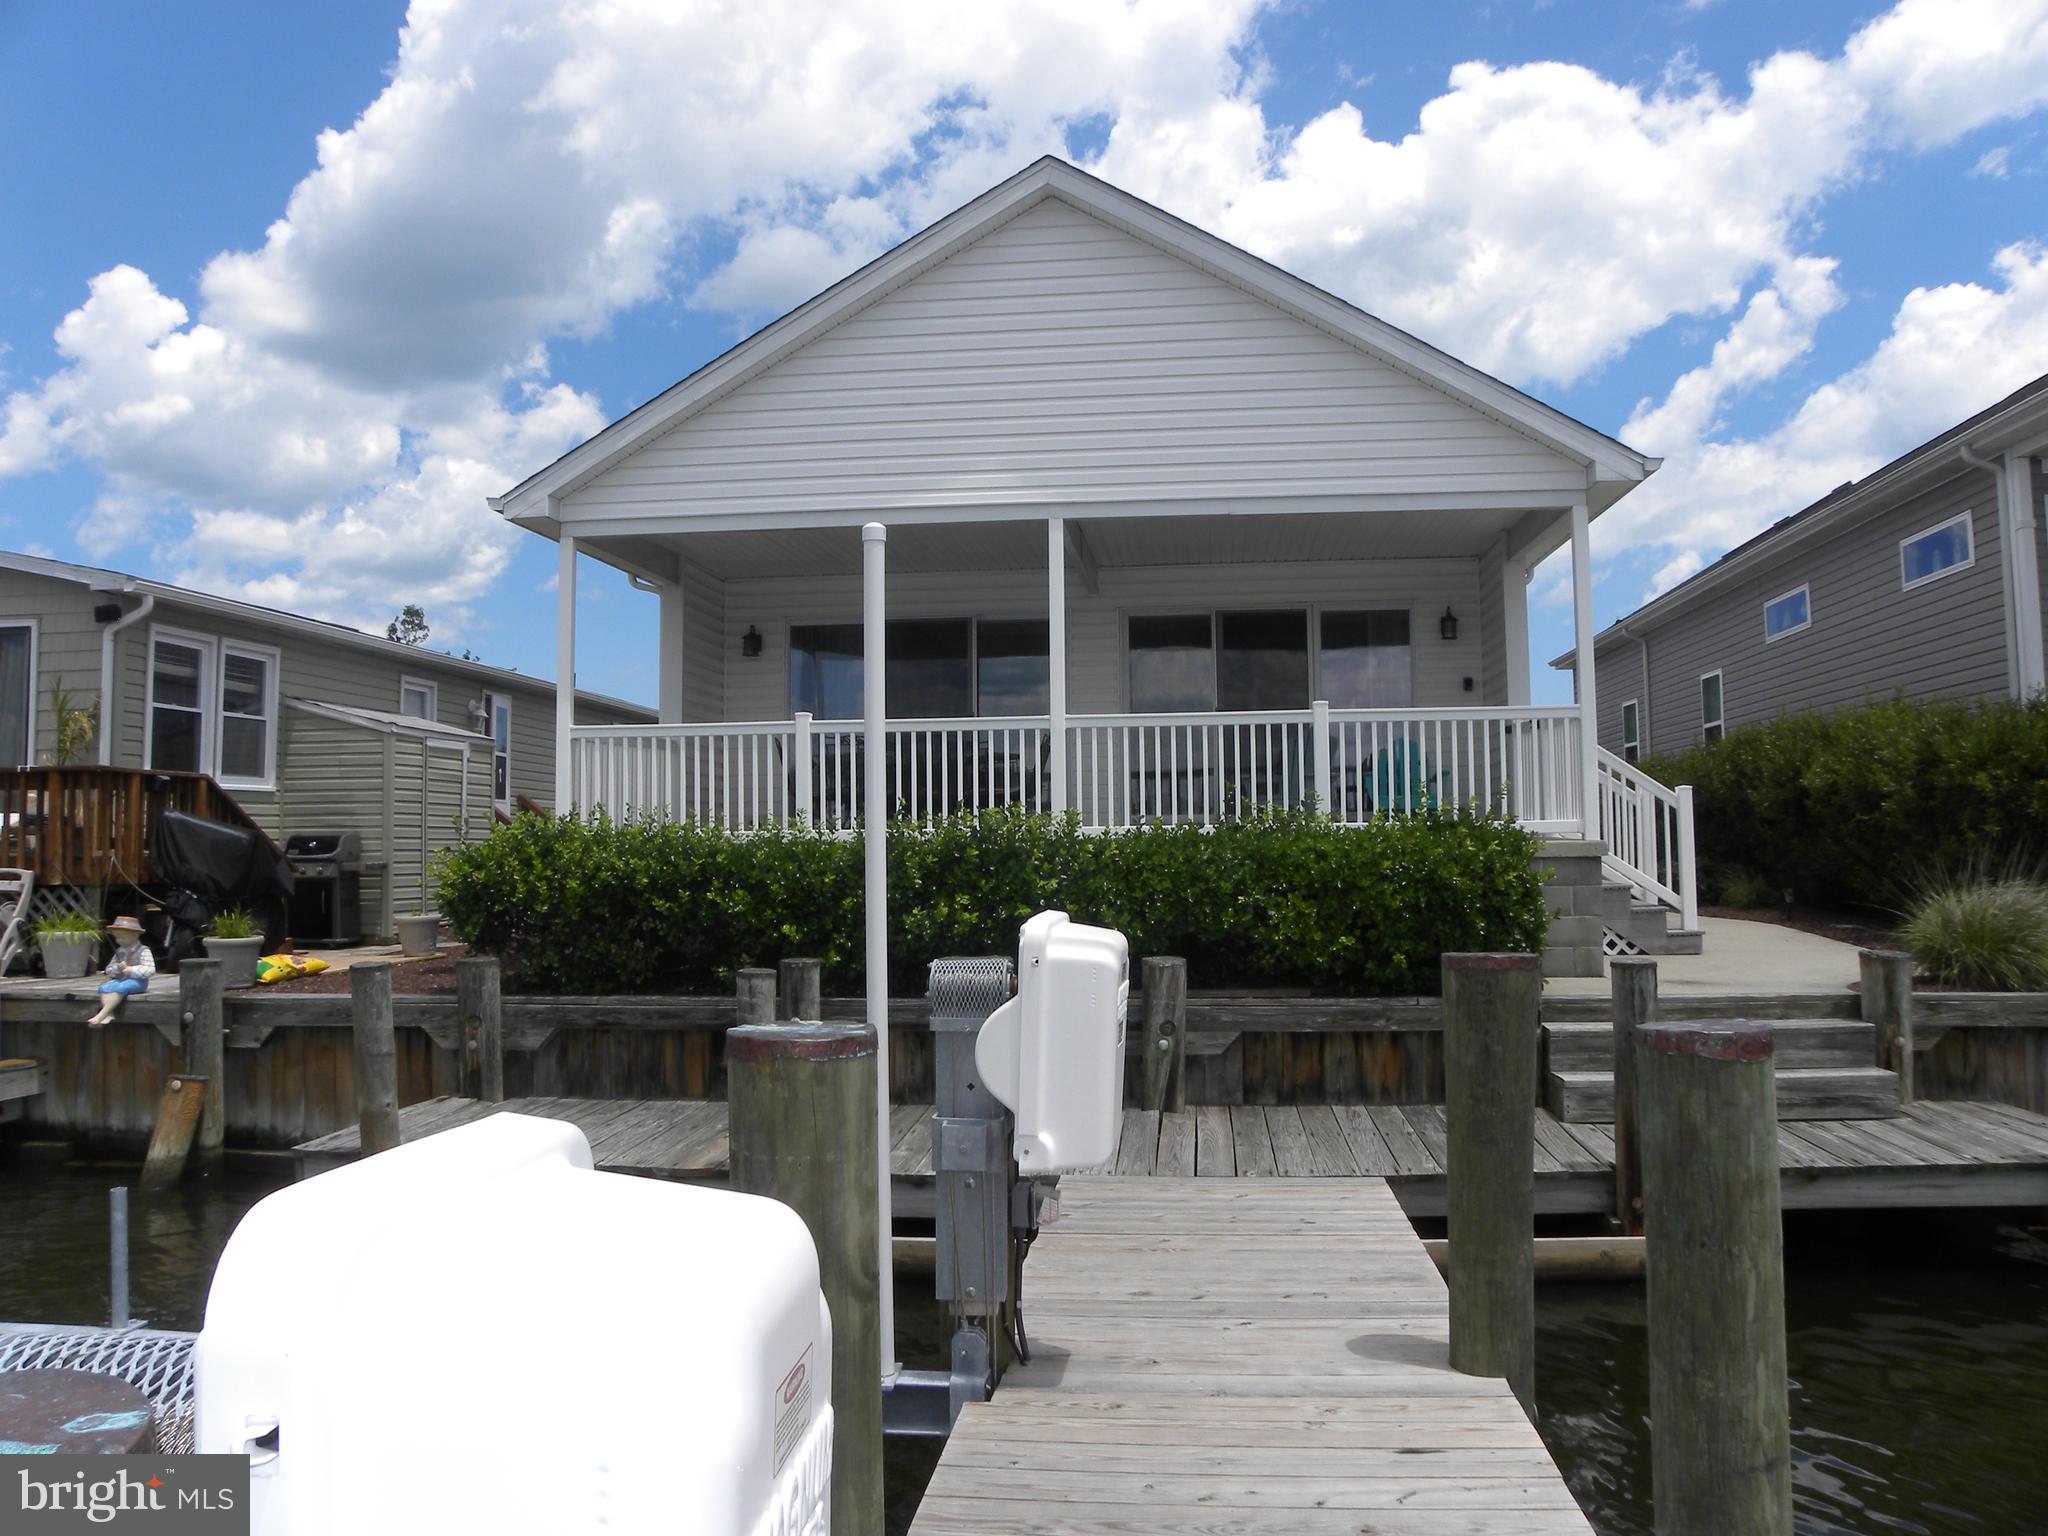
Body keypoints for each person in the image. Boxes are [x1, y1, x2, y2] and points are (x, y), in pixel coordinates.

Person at [87, 915, 155, 1028]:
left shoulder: (143, 951)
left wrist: (130, 969)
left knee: (120, 988)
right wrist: (117, 968)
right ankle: (109, 1013)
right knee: (104, 987)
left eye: (123, 938)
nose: (119, 941)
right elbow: (109, 969)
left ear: (135, 935)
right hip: (121, 979)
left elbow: (150, 969)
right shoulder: (119, 951)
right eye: (117, 938)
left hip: (138, 981)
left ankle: (101, 1015)